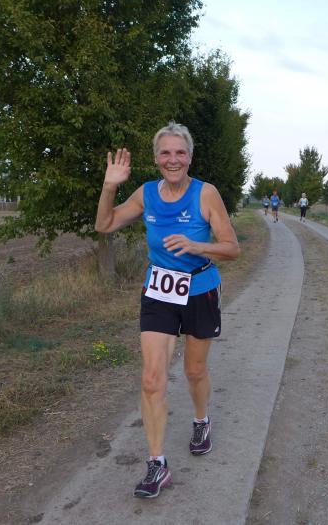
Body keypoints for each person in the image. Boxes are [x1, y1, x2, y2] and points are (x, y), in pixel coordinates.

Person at [95, 122, 240, 499]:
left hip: (200, 289)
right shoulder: (146, 194)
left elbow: (231, 248)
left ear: (189, 157)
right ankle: (157, 465)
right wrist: (109, 186)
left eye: (180, 152)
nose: (172, 159)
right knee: (151, 378)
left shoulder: (206, 194)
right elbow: (104, 224)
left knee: (194, 371)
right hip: (159, 290)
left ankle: (201, 420)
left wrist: (197, 246)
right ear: (156, 158)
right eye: (165, 152)